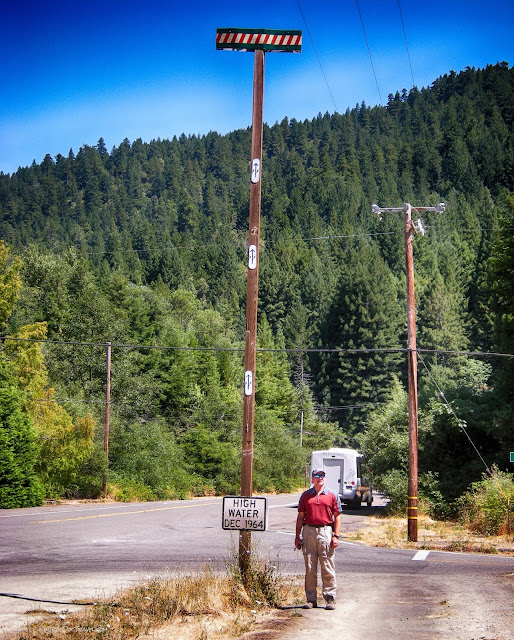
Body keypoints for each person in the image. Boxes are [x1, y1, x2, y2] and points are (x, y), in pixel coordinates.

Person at [295, 468, 342, 610]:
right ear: (312, 479)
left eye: (322, 476)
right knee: (310, 566)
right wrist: (297, 536)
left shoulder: (332, 495)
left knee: (327, 565)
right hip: (308, 531)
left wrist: (336, 536)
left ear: (325, 479)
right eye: (317, 476)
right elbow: (300, 517)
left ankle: (330, 598)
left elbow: (337, 516)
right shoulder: (305, 496)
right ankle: (311, 599)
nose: (319, 478)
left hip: (325, 531)